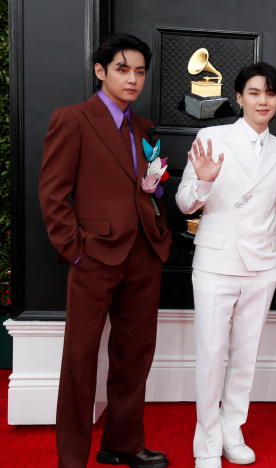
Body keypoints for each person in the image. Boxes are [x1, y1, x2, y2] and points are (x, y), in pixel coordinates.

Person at [38, 33, 171, 468]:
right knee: (79, 359)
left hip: (143, 256)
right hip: (94, 257)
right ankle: (72, 458)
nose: (133, 79)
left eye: (139, 71)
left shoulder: (143, 127)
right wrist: (76, 251)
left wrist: (156, 228)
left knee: (135, 354)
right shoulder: (73, 119)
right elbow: (53, 195)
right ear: (101, 71)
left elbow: (147, 190)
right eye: (122, 69)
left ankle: (122, 443)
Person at [175, 62, 276, 468]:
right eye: (255, 92)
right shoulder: (211, 136)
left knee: (246, 356)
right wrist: (205, 180)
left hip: (262, 266)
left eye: (271, 94)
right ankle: (206, 443)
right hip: (216, 261)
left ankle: (232, 429)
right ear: (239, 97)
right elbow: (184, 202)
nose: (263, 101)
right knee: (211, 356)